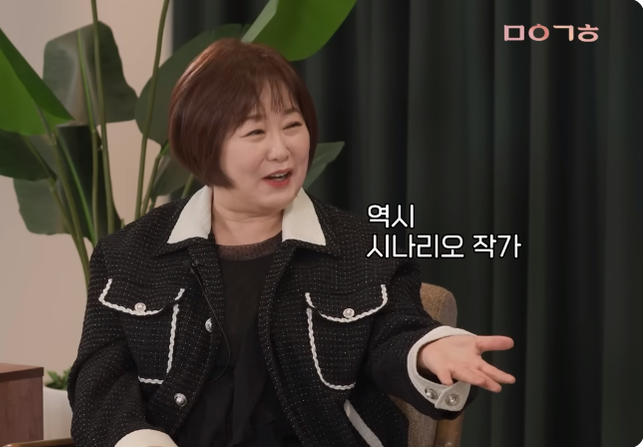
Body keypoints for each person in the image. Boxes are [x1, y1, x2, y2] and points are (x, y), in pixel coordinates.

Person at [66, 37, 515, 447]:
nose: (281, 150)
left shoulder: (361, 246)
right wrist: (137, 439)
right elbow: (98, 379)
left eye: (292, 125)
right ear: (203, 143)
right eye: (255, 132)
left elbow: (395, 333)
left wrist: (427, 351)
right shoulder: (128, 253)